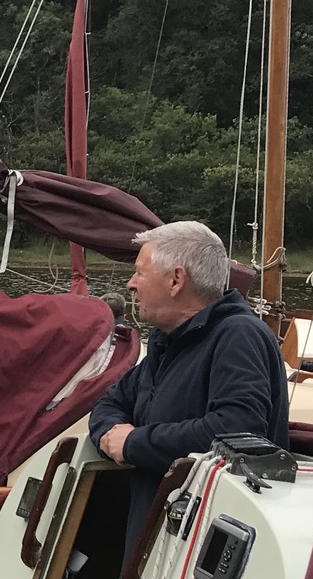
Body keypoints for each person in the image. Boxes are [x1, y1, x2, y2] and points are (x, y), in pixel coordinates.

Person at [89, 220, 289, 550]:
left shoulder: (239, 336)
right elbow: (109, 404)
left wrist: (134, 443)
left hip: (202, 550)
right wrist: (113, 438)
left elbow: (239, 432)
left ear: (176, 280)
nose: (130, 284)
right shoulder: (168, 341)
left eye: (140, 272)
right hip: (158, 544)